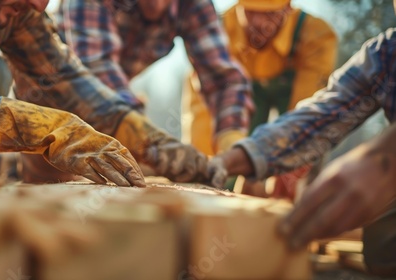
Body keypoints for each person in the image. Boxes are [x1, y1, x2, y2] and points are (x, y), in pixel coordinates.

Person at [0, 0, 225, 187]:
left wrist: (152, 143)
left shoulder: (18, 9)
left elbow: (66, 81)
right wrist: (53, 132)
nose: (40, 5)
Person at [212, 3, 396, 274]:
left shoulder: (316, 35)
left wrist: (386, 159)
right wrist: (233, 158)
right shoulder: (385, 55)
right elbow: (317, 118)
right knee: (383, 247)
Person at [56, 0, 254, 157]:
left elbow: (224, 80)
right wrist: (146, 137)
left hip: (113, 101)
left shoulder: (194, 5)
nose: (156, 4)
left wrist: (232, 141)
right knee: (55, 177)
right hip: (48, 89)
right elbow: (97, 70)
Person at [187, 0, 337, 197]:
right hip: (240, 104)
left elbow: (307, 116)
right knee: (222, 166)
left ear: (287, 9)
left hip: (295, 106)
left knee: (298, 182)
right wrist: (204, 171)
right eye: (249, 12)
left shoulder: (317, 36)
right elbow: (207, 111)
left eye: (268, 14)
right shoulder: (220, 31)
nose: (257, 22)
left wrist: (289, 167)